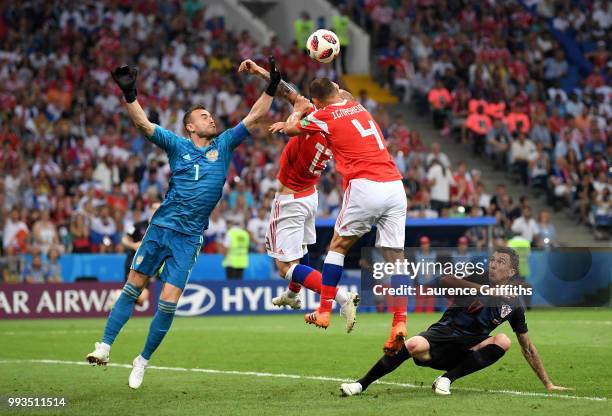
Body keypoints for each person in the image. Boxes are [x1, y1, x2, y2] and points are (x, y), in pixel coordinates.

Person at [86, 57, 282, 390]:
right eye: (203, 116)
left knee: (168, 303)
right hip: (161, 228)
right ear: (190, 126)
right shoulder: (177, 146)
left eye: (210, 114)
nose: (211, 117)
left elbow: (254, 115)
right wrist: (130, 94)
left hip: (189, 238)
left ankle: (142, 361)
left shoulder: (224, 145)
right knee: (133, 287)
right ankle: (104, 346)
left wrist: (273, 85)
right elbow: (145, 126)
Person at [279, 77, 408, 354]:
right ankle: (399, 322)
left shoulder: (323, 115)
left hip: (365, 184)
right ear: (337, 91)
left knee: (337, 246)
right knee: (395, 259)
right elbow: (340, 94)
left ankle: (324, 309)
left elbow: (291, 128)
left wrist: (297, 112)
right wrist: (333, 89)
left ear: (317, 102)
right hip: (395, 185)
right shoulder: (357, 105)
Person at [340, 247, 571, 397]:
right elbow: (445, 279)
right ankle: (361, 384)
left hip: (466, 351)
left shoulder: (514, 304)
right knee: (411, 345)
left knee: (503, 340)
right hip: (442, 337)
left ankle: (446, 379)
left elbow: (527, 347)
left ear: (511, 271)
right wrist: (486, 290)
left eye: (500, 262)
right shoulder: (477, 274)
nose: (493, 264)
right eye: (492, 260)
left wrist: (548, 383)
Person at [240, 59, 358, 331]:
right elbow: (289, 92)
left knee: (285, 266)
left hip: (290, 198)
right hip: (309, 196)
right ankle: (293, 295)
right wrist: (260, 71)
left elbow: (294, 107)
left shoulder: (313, 119)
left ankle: (341, 297)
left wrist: (292, 116)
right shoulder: (335, 124)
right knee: (301, 251)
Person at [121, 202, 161, 306]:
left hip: (147, 265)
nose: (156, 210)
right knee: (130, 291)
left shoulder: (162, 229)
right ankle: (118, 301)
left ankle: (117, 298)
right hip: (133, 262)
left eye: (159, 208)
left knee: (142, 299)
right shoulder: (138, 225)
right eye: (154, 208)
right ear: (150, 210)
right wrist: (133, 245)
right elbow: (124, 240)